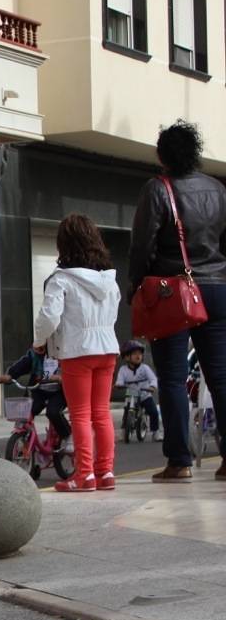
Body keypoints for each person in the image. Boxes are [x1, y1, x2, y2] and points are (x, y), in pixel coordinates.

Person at [129, 119, 226, 482]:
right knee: (220, 376)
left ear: (162, 155)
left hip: (172, 292)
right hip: (217, 288)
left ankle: (179, 461)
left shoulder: (157, 189)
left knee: (172, 378)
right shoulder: (218, 189)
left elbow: (142, 244)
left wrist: (135, 285)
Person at [35, 214, 121, 492]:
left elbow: (49, 317)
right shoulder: (110, 280)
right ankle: (105, 471)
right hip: (107, 348)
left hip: (77, 351)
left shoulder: (60, 280)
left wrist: (39, 340)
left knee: (80, 414)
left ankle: (84, 475)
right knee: (101, 413)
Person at [0, 344, 71, 451]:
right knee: (27, 412)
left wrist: (62, 377)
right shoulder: (33, 356)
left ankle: (68, 436)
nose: (38, 348)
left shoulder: (61, 353)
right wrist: (10, 376)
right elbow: (21, 366)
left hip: (58, 392)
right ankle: (25, 440)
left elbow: (71, 368)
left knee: (53, 412)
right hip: (39, 390)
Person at [115, 339, 161, 441]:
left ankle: (156, 432)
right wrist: (118, 384)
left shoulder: (145, 368)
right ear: (126, 357)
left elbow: (153, 378)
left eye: (140, 353)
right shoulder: (123, 370)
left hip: (144, 394)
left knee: (153, 412)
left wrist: (152, 386)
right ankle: (124, 431)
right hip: (131, 395)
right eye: (135, 354)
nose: (138, 356)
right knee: (126, 411)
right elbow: (120, 380)